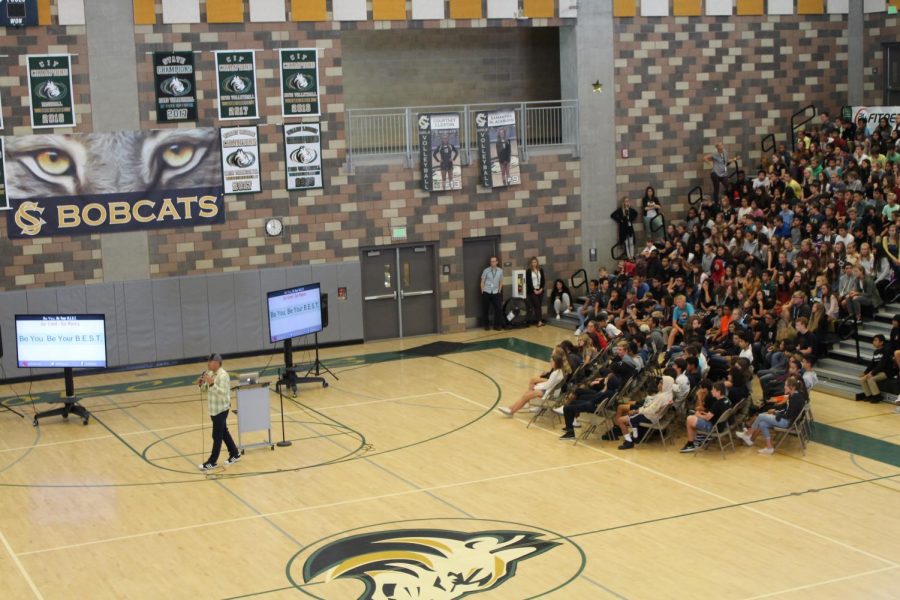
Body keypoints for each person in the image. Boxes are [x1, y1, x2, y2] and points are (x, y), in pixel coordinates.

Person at [735, 376, 806, 455]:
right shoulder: (794, 395)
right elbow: (787, 410)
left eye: (786, 385)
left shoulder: (795, 398)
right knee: (762, 424)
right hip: (786, 419)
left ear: (791, 387)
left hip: (786, 422)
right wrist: (776, 411)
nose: (784, 387)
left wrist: (776, 413)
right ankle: (769, 448)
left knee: (761, 416)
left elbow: (788, 415)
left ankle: (748, 434)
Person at [197, 353, 241, 471]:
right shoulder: (210, 374)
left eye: (210, 361)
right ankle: (235, 453)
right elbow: (206, 390)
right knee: (223, 432)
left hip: (221, 409)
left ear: (216, 363)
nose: (208, 363)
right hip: (213, 410)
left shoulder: (223, 376)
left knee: (217, 435)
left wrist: (211, 383)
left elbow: (222, 394)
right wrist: (201, 384)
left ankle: (212, 461)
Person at [499, 348, 569, 416]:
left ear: (556, 363)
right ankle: (511, 408)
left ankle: (511, 411)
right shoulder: (560, 371)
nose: (550, 362)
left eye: (551, 361)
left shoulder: (555, 373)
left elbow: (547, 386)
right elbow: (549, 384)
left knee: (526, 395)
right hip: (551, 392)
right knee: (526, 394)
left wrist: (536, 387)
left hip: (548, 394)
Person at [615, 375, 675, 450]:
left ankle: (629, 441)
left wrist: (636, 411)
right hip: (655, 417)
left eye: (661, 383)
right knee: (627, 416)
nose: (659, 384)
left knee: (620, 420)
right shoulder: (669, 394)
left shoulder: (661, 397)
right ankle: (633, 436)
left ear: (666, 385)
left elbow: (651, 410)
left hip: (649, 417)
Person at [680, 381, 730, 453]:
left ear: (718, 392)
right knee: (694, 417)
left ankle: (691, 444)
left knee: (689, 419)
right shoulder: (726, 400)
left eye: (713, 390)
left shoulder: (717, 404)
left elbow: (707, 418)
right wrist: (702, 414)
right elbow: (713, 414)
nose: (712, 391)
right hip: (722, 425)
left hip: (713, 427)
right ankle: (696, 439)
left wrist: (698, 415)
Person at [857, 334, 895, 403]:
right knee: (863, 379)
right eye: (873, 340)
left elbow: (882, 364)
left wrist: (872, 373)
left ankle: (877, 396)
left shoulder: (886, 351)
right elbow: (872, 364)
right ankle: (869, 396)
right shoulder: (876, 352)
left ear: (881, 342)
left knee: (871, 379)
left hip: (886, 372)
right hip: (878, 371)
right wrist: (865, 372)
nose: (873, 342)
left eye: (875, 340)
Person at [480, 256, 504, 331]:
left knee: (498, 309)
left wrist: (499, 291)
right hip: (487, 292)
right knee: (485, 309)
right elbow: (482, 281)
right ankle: (486, 325)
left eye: (494, 261)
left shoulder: (500, 271)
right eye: (491, 261)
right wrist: (482, 291)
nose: (492, 263)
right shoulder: (486, 271)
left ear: (497, 262)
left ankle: (497, 325)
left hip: (496, 292)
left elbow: (501, 281)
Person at [524, 257, 546, 327]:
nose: (534, 264)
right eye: (533, 262)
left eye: (535, 262)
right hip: (532, 291)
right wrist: (534, 290)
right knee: (537, 305)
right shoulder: (528, 271)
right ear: (531, 263)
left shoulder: (541, 270)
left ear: (537, 263)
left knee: (539, 305)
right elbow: (528, 282)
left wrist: (541, 289)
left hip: (540, 290)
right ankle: (539, 321)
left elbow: (543, 280)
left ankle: (539, 320)